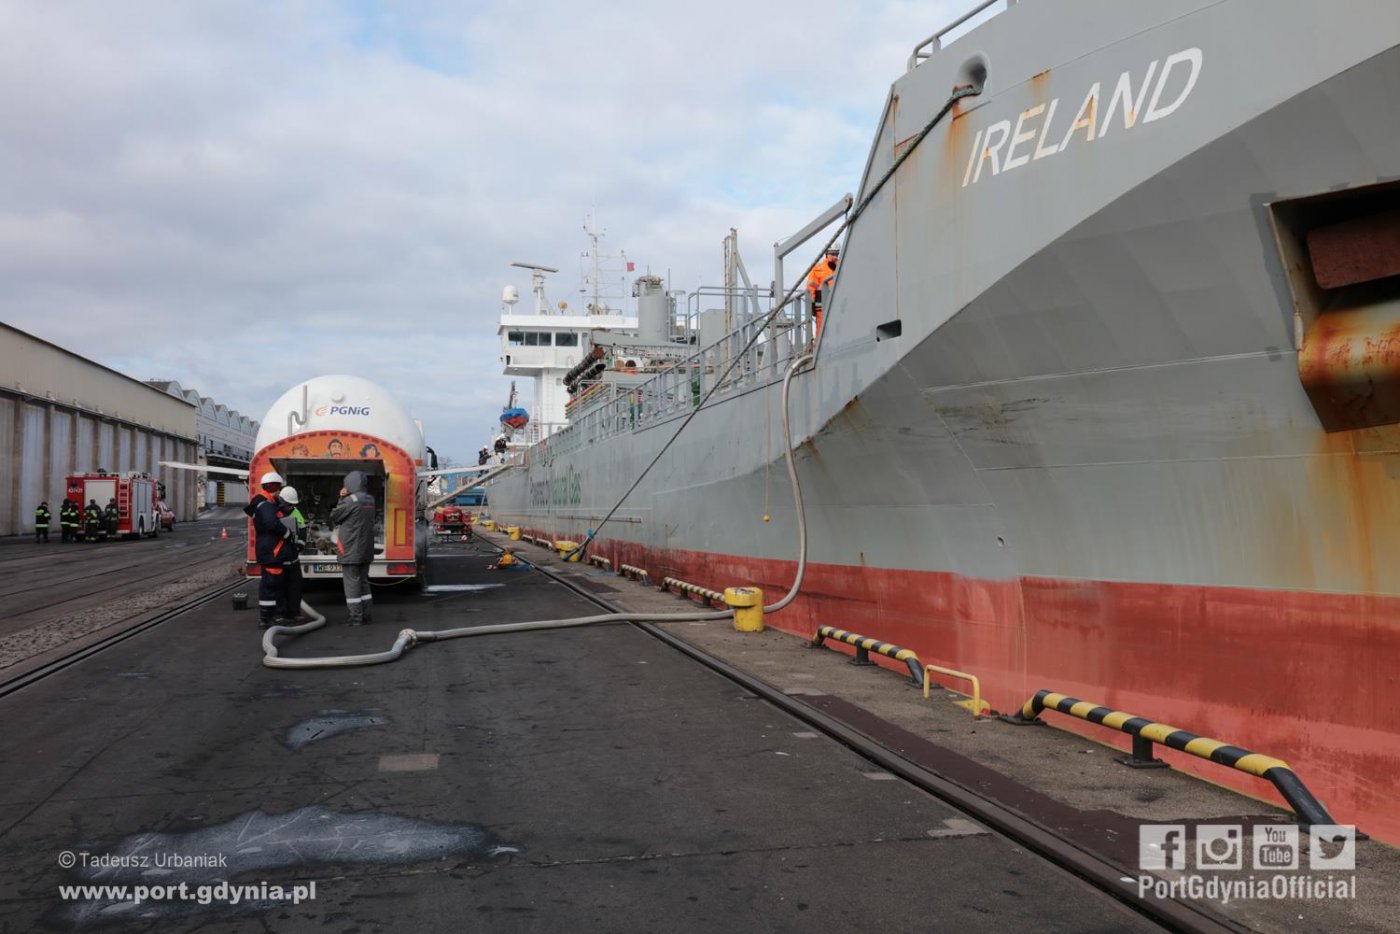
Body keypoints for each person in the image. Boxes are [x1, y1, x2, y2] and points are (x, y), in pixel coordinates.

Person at [243, 471, 296, 629]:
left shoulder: (264, 503)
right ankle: (272, 617)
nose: (280, 492)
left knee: (271, 584)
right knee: (272, 585)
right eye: (279, 488)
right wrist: (287, 533)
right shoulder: (266, 505)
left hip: (269, 551)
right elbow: (272, 524)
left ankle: (268, 616)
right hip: (272, 552)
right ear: (274, 486)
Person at [330, 470, 376, 625]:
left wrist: (342, 497)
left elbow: (335, 517)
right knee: (363, 582)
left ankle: (356, 618)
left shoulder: (350, 500)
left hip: (350, 550)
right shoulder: (370, 499)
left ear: (349, 484)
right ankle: (367, 615)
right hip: (366, 549)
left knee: (352, 585)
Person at [277, 486, 309, 623]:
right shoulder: (275, 512)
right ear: (282, 502)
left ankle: (294, 612)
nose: (291, 508)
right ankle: (281, 614)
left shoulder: (295, 512)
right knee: (280, 585)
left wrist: (300, 545)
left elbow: (302, 530)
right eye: (289, 505)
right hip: (279, 555)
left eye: (293, 505)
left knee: (295, 584)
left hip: (293, 555)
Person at [805, 248, 839, 338]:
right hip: (822, 303)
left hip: (840, 302)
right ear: (827, 254)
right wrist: (812, 302)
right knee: (821, 328)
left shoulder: (842, 265)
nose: (835, 256)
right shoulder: (818, 268)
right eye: (832, 254)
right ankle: (819, 347)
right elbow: (810, 286)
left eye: (837, 254)